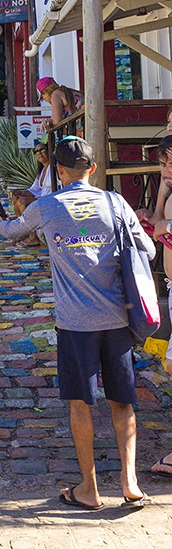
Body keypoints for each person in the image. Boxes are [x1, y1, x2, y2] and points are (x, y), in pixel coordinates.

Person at [0, 136, 154, 510]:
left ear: (58, 171)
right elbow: (148, 249)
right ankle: (130, 481)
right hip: (116, 319)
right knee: (122, 400)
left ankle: (89, 488)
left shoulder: (47, 206)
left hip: (75, 324)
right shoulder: (115, 202)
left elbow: (12, 233)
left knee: (80, 403)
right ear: (93, 169)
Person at [139, 134, 172, 478]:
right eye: (162, 163)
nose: (165, 170)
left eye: (171, 163)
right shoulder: (168, 186)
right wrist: (152, 215)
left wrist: (165, 226)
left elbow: (166, 225)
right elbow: (158, 223)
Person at [10, 140, 53, 248]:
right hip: (41, 199)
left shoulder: (54, 168)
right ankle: (24, 233)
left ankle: (33, 237)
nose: (39, 153)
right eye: (36, 151)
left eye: (42, 150)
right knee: (17, 198)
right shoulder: (42, 170)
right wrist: (19, 192)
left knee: (22, 201)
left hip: (50, 200)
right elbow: (34, 189)